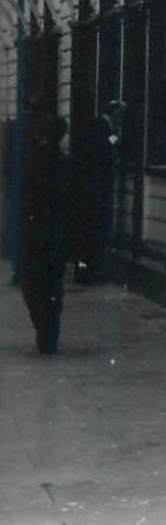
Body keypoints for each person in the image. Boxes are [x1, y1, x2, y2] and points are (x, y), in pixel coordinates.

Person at [20, 113, 71, 354]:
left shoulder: (33, 161)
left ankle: (44, 328)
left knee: (32, 285)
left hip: (36, 233)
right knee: (52, 287)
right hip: (57, 234)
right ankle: (49, 333)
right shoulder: (65, 163)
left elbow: (27, 199)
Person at [72, 100, 123, 283]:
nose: (121, 120)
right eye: (120, 115)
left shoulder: (98, 126)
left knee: (90, 230)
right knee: (92, 229)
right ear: (114, 113)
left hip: (91, 188)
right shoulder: (102, 128)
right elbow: (107, 149)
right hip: (95, 189)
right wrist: (117, 139)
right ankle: (87, 272)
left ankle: (86, 270)